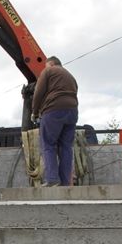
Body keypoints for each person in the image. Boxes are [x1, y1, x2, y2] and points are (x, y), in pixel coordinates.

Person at [31, 56, 79, 186]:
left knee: (48, 144)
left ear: (51, 64)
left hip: (53, 110)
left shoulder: (48, 71)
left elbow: (38, 92)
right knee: (66, 147)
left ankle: (52, 179)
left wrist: (35, 112)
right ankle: (65, 182)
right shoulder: (71, 76)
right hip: (72, 112)